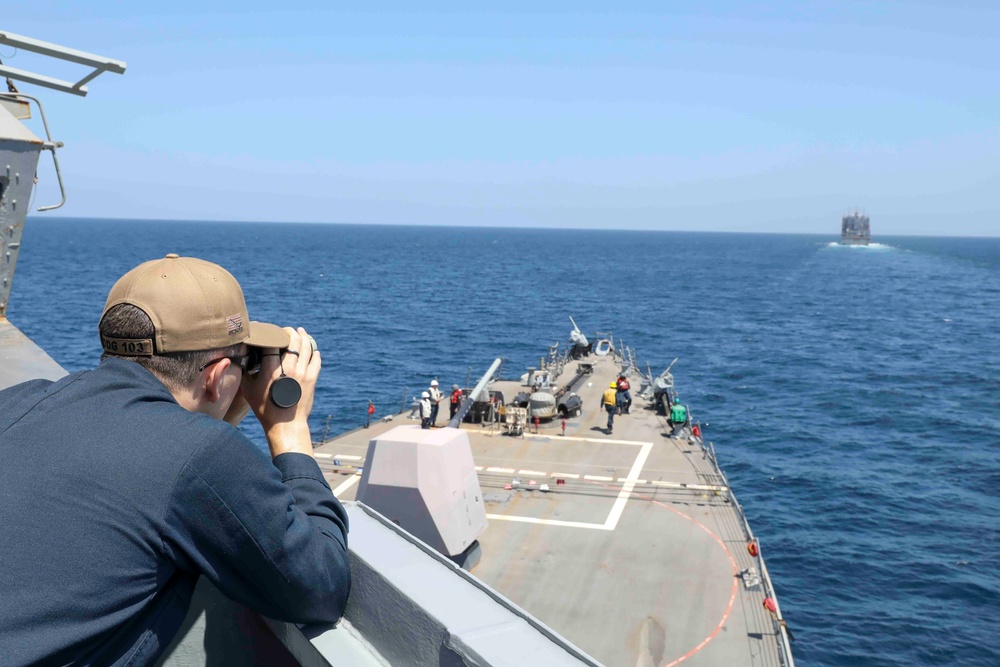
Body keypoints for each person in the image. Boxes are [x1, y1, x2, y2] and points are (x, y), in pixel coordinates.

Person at [0, 254, 351, 667]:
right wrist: (288, 430)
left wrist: (218, 409)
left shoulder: (18, 403)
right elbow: (319, 586)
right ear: (219, 375)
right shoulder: (200, 454)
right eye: (243, 364)